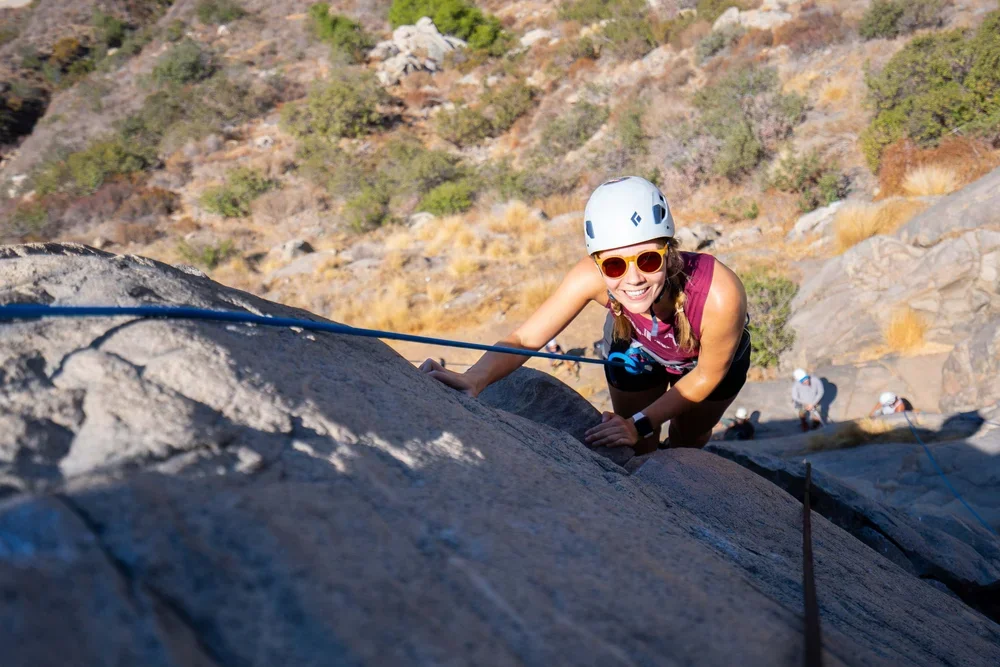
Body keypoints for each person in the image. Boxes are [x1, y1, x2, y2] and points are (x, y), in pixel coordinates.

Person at [420, 176, 751, 455]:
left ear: (669, 250)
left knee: (688, 440)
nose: (633, 279)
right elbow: (525, 338)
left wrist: (638, 422)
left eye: (648, 259)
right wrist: (474, 378)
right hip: (637, 347)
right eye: (614, 265)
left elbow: (707, 374)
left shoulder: (718, 293)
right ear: (597, 264)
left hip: (707, 364)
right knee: (636, 443)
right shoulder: (588, 278)